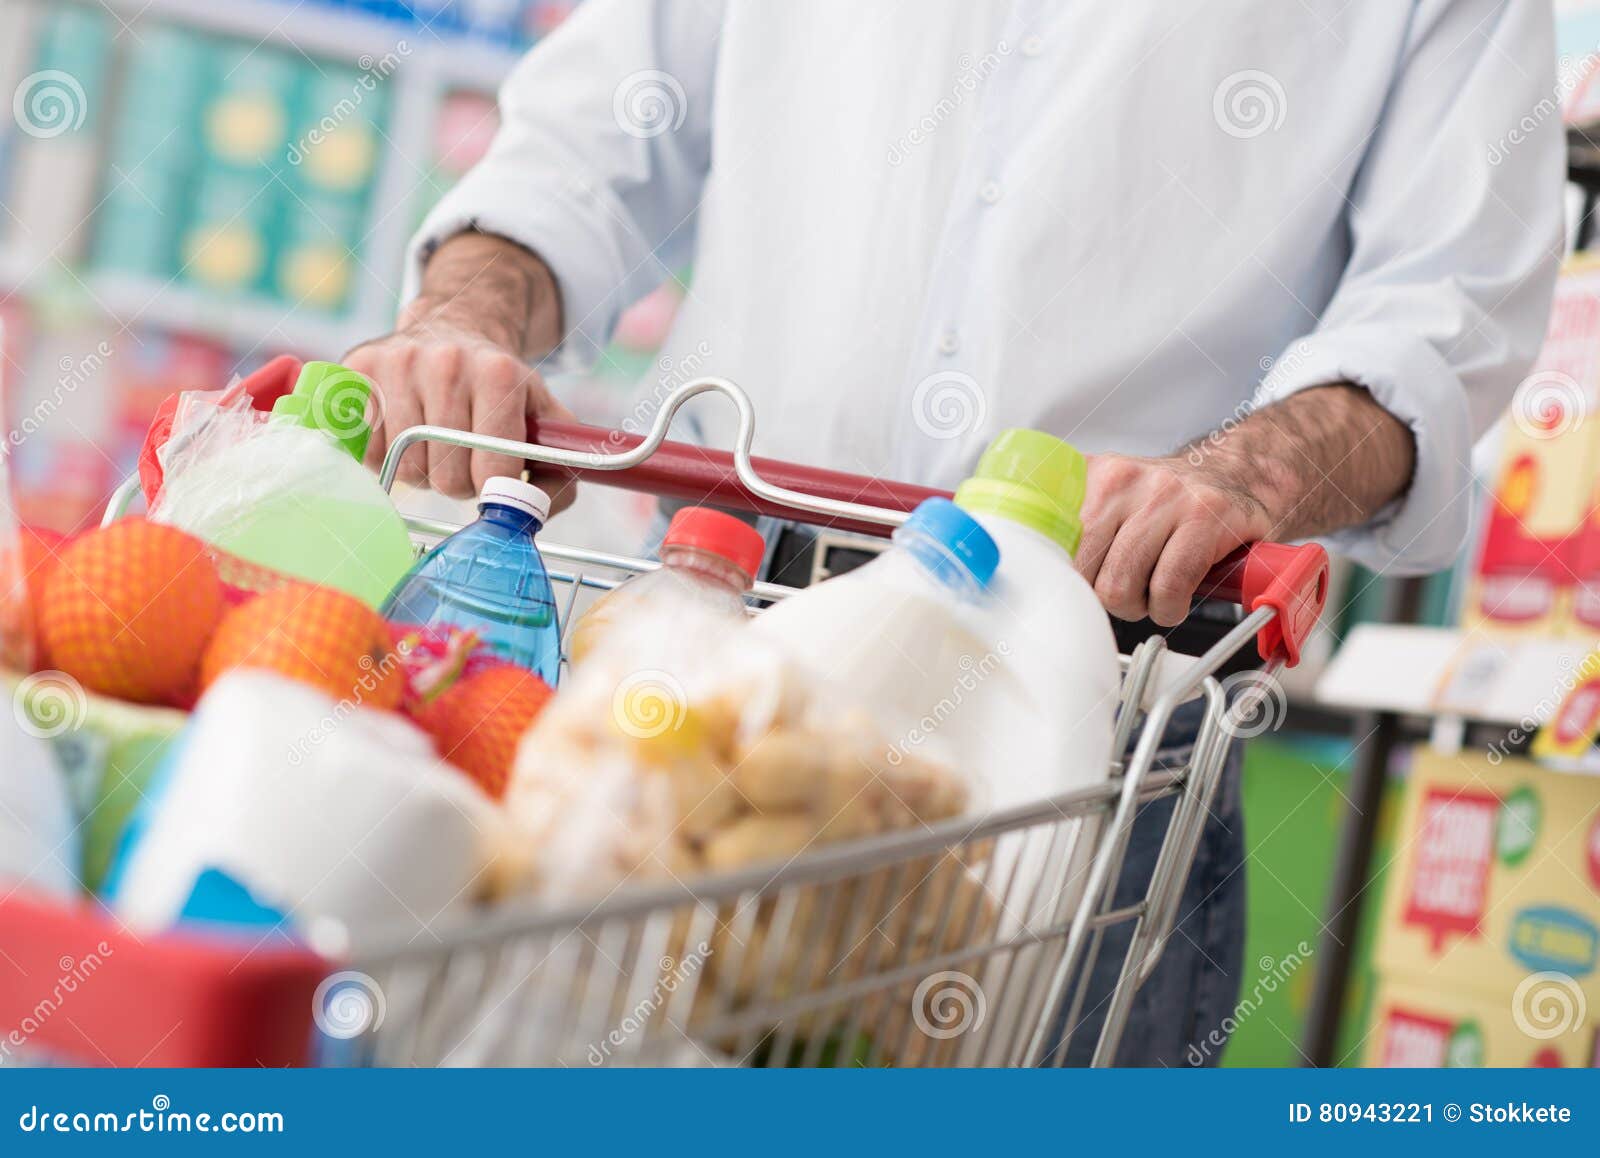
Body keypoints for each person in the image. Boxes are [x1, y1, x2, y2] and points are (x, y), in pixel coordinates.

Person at [346, 1, 1564, 1064]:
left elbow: (1443, 312)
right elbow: (587, 139)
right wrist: (466, 321)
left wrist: (1246, 475)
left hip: (1098, 697)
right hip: (709, 660)